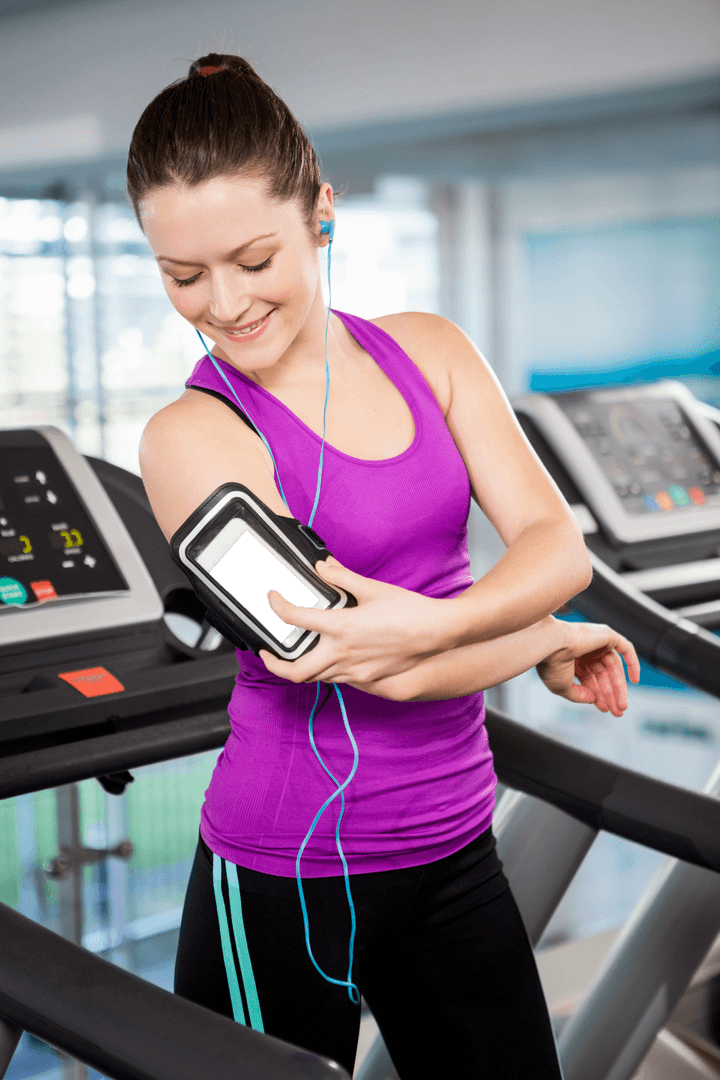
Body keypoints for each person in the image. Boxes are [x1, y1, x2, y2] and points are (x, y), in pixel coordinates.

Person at [129, 53, 640, 1078]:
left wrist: (488, 619)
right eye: (183, 276)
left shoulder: (431, 352)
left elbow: (557, 548)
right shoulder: (194, 436)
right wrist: (527, 632)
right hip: (282, 872)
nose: (222, 304)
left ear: (321, 209)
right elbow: (374, 662)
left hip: (452, 842)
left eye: (251, 258)